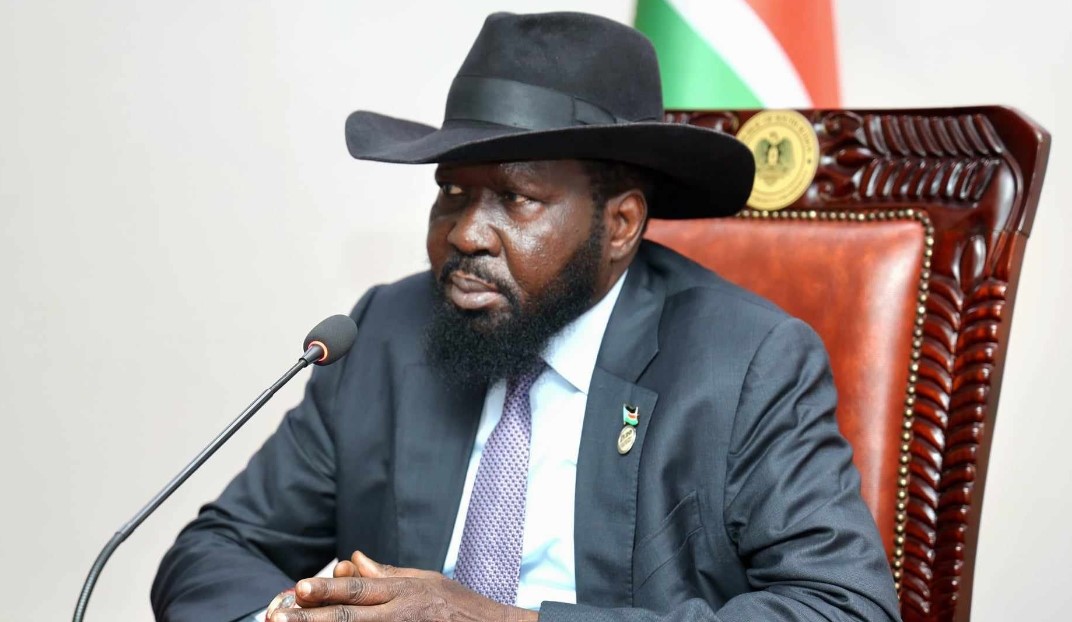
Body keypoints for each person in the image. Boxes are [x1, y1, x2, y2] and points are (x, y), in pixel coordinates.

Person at [152, 11, 900, 622]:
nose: (466, 234)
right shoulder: (386, 329)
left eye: (516, 199)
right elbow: (215, 553)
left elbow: (843, 609)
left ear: (620, 225)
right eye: (452, 193)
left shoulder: (744, 361)